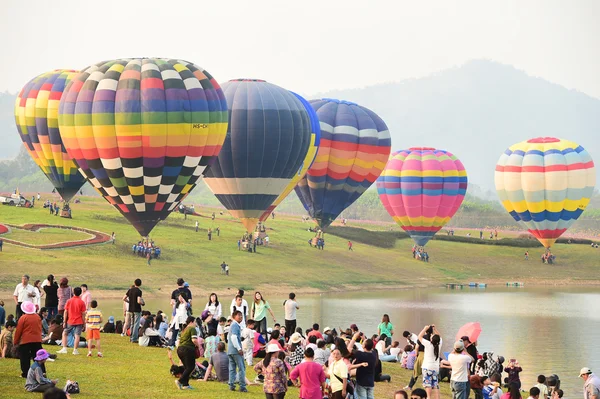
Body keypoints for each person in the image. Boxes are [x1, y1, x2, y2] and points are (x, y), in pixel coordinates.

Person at [14, 301, 44, 378]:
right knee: (39, 357)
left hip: (25, 340)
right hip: (37, 340)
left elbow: (18, 331)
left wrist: (16, 341)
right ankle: (42, 371)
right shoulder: (38, 317)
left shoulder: (23, 318)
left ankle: (25, 373)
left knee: (24, 357)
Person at [57, 286, 87, 355]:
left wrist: (64, 321)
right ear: (80, 293)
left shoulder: (69, 301)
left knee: (65, 333)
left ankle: (64, 348)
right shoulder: (81, 302)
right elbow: (83, 314)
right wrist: (84, 323)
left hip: (70, 321)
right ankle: (75, 350)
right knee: (77, 335)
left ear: (73, 292)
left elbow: (65, 312)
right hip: (79, 321)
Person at [175, 316, 200, 390]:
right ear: (191, 322)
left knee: (186, 367)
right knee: (191, 367)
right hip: (188, 349)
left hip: (180, 349)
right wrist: (198, 346)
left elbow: (178, 341)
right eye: (195, 322)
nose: (196, 324)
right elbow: (194, 340)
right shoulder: (192, 329)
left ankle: (185, 385)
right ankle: (180, 381)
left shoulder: (183, 330)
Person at [419, 324, 442, 399]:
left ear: (431, 340)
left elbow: (419, 337)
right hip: (435, 368)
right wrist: (435, 329)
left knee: (427, 384)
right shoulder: (439, 344)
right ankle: (437, 397)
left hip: (427, 367)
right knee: (435, 384)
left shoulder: (428, 344)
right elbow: (439, 337)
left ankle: (428, 397)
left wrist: (425, 329)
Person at [227, 310, 248, 392]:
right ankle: (242, 386)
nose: (241, 317)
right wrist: (239, 348)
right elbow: (233, 338)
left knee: (232, 368)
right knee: (241, 368)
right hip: (235, 351)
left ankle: (231, 385)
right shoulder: (235, 325)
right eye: (239, 315)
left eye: (241, 315)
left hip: (230, 350)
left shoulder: (232, 325)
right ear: (234, 316)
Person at [124, 278, 144, 344]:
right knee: (136, 324)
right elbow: (138, 301)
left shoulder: (130, 290)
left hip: (130, 309)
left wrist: (129, 302)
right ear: (140, 284)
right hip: (137, 309)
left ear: (134, 283)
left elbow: (124, 298)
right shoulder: (139, 291)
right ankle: (134, 338)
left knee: (132, 323)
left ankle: (131, 337)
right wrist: (142, 303)